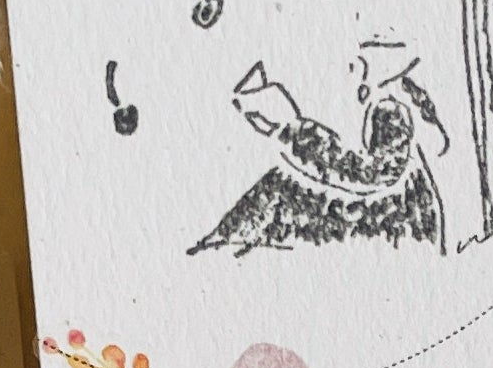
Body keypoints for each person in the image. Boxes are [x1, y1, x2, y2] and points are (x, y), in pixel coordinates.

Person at [192, 43, 449, 255]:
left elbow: (373, 173)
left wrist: (290, 129)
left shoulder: (389, 110)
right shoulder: (379, 106)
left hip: (384, 234)